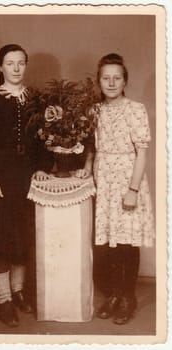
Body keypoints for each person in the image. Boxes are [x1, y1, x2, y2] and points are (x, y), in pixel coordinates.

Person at [0, 44, 51, 327]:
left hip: (26, 176)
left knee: (22, 240)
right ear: (0, 67)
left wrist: (42, 168)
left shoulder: (35, 99)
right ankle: (4, 300)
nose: (16, 68)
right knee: (1, 242)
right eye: (10, 63)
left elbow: (44, 140)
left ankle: (18, 293)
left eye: (21, 63)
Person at [79, 53, 155, 324]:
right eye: (105, 78)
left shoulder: (135, 109)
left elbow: (142, 153)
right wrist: (88, 166)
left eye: (117, 78)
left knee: (125, 243)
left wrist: (133, 189)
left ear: (125, 81)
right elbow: (92, 145)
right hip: (104, 181)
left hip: (126, 180)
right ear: (99, 81)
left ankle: (128, 298)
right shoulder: (94, 110)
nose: (111, 83)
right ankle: (113, 294)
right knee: (108, 245)